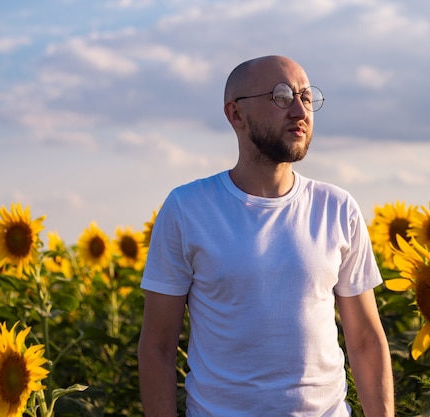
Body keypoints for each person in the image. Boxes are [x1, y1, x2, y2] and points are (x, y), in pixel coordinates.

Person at [138, 55, 394, 417]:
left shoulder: (336, 208)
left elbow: (366, 341)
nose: (299, 111)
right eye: (281, 96)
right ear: (236, 115)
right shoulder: (188, 209)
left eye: (306, 97)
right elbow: (157, 348)